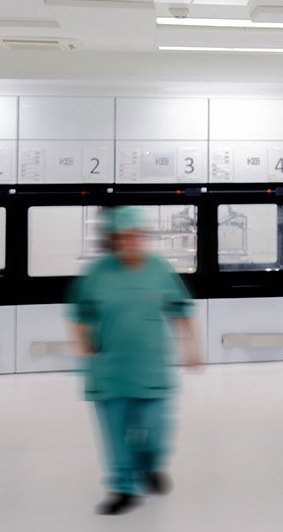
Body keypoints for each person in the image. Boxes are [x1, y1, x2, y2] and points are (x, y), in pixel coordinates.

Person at [68, 206, 202, 516]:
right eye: (124, 237)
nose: (131, 242)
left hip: (150, 369)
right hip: (108, 370)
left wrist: (192, 347)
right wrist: (82, 344)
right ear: (114, 239)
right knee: (115, 435)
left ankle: (149, 464)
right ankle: (123, 488)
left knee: (155, 430)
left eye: (137, 236)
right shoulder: (97, 273)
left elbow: (181, 309)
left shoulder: (158, 270)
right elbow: (80, 314)